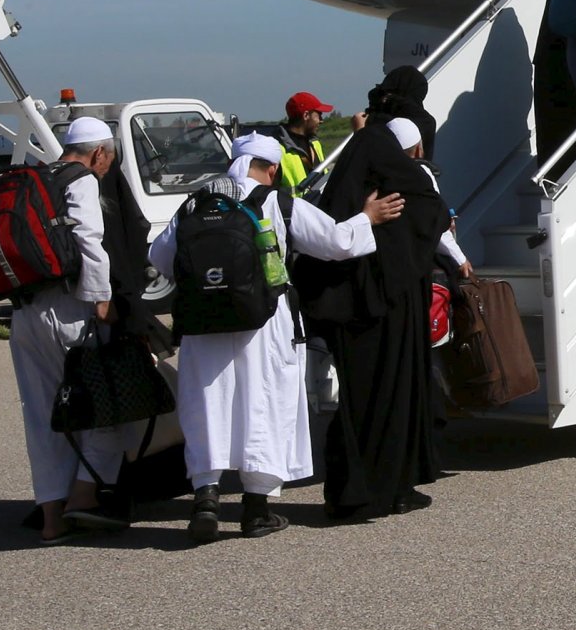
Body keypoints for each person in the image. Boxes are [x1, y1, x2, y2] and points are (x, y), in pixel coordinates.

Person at [151, 134, 401, 542]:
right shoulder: (277, 202)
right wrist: (367, 218)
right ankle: (256, 510)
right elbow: (337, 242)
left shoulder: (195, 202)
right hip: (263, 323)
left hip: (203, 324)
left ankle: (206, 501)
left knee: (207, 407)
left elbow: (160, 258)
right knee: (263, 405)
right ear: (271, 169)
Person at [0, 118, 133, 543]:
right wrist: (101, 298)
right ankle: (83, 500)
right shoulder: (80, 180)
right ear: (99, 154)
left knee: (42, 416)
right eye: (108, 161)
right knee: (106, 408)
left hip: (25, 316)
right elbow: (89, 237)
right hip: (70, 310)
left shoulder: (31, 182)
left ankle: (52, 519)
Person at [313, 112, 448, 520]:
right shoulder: (410, 190)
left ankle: (349, 493)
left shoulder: (344, 194)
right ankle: (394, 489)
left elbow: (323, 239)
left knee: (354, 409)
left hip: (352, 317)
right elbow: (437, 218)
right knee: (396, 401)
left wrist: (361, 215)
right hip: (397, 316)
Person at [274, 92, 336, 195]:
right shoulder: (276, 148)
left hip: (317, 206)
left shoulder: (315, 143)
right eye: (319, 115)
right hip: (292, 209)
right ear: (306, 115)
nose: (321, 121)